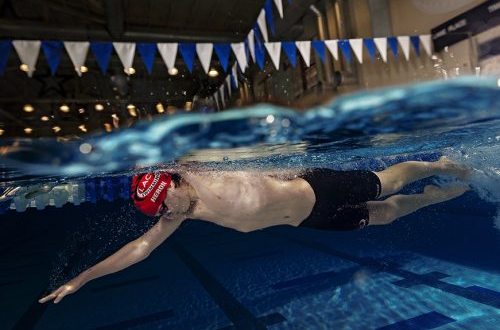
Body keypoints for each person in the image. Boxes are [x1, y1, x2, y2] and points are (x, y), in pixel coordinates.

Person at [39, 156, 470, 304]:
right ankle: (432, 195)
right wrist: (81, 278)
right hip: (309, 218)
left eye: (166, 199)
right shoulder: (180, 213)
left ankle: (438, 167)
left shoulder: (205, 177)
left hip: (316, 185)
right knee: (386, 214)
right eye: (160, 209)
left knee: (388, 181)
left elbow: (197, 166)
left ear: (173, 181)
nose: (167, 210)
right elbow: (139, 250)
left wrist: (174, 162)